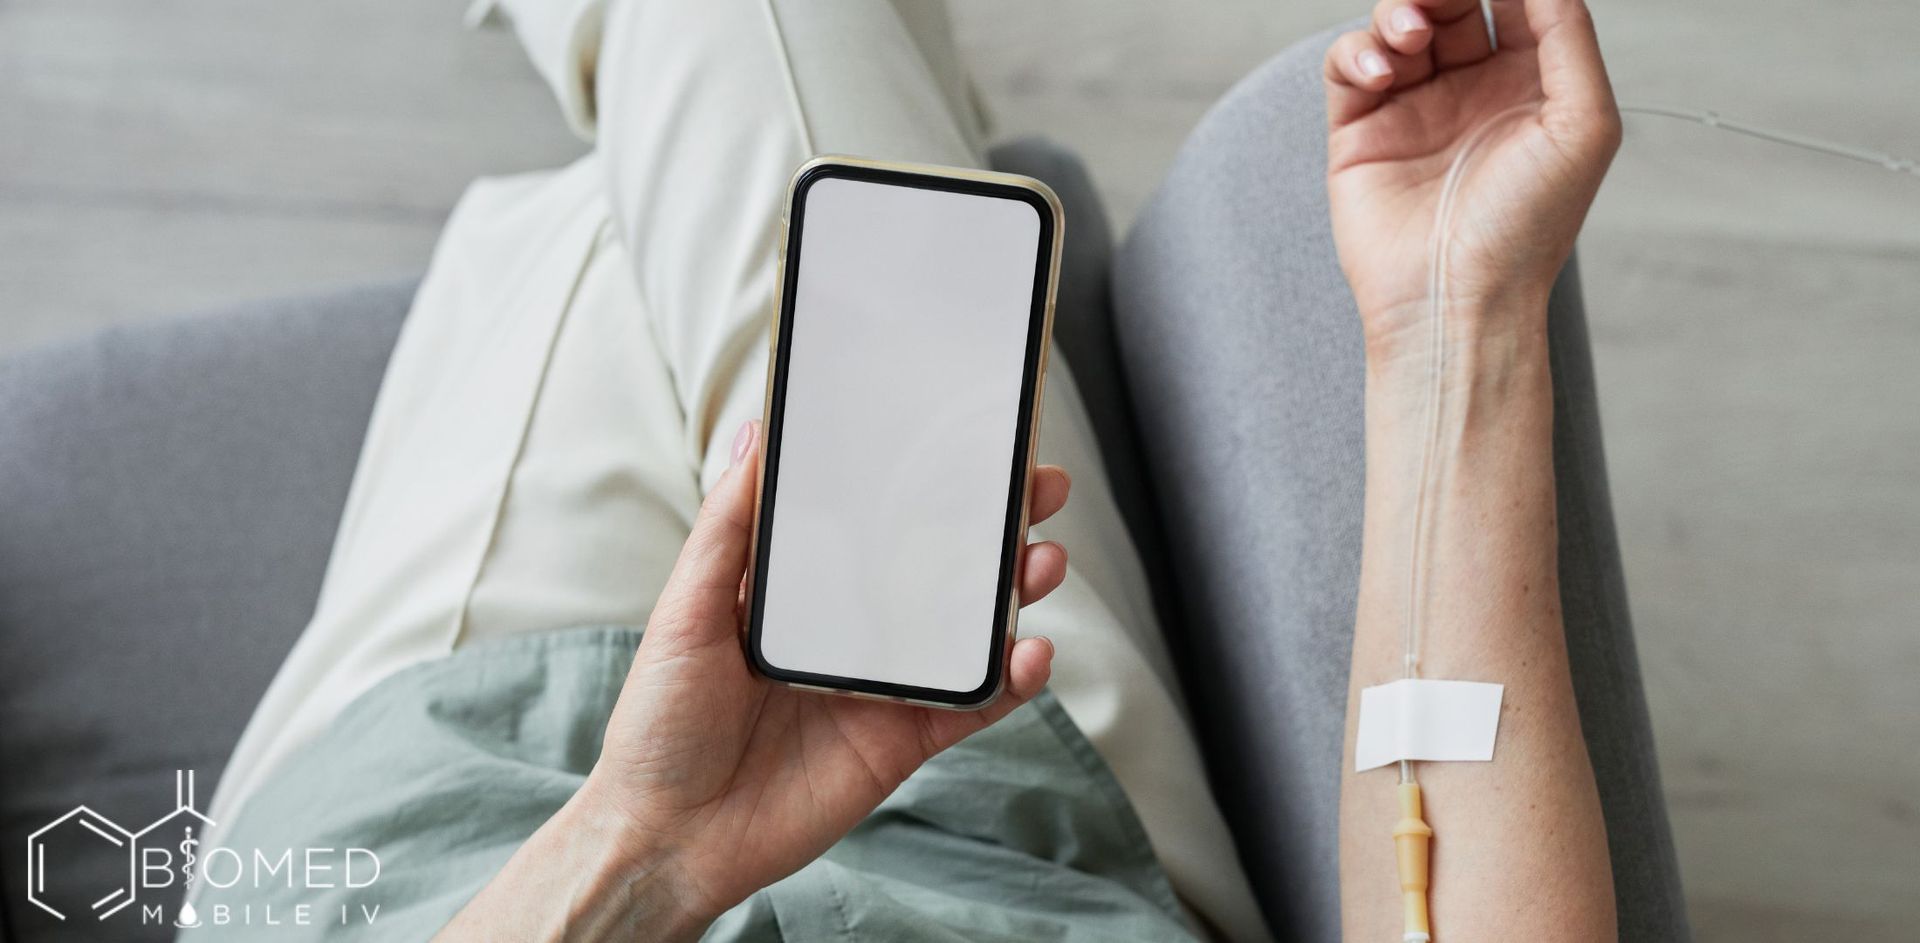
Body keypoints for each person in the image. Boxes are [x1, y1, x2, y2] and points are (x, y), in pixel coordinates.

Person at [188, 0, 1629, 940]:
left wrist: (644, 847)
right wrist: (1454, 313)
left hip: (456, 836)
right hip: (1020, 835)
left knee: (653, 171)